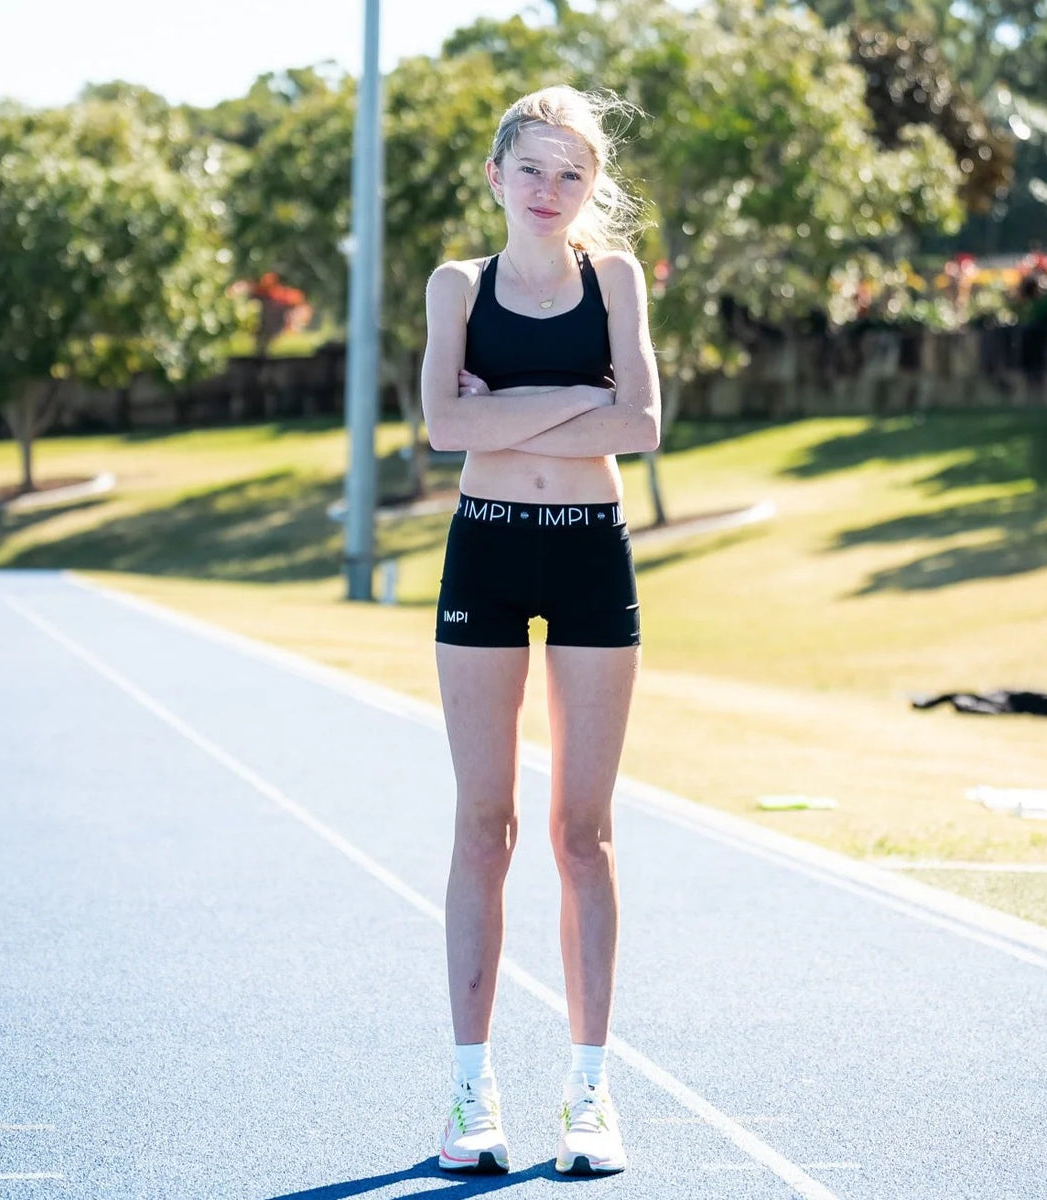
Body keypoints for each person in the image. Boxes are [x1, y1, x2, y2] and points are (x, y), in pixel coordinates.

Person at [420, 85, 661, 1176]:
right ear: (496, 177)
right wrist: (578, 396)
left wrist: (505, 406)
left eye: (572, 173)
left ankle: (588, 1092)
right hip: (486, 544)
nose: (550, 191)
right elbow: (442, 425)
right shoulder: (455, 287)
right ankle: (472, 1090)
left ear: (593, 185)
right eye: (532, 169)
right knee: (485, 824)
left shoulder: (617, 279)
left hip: (588, 551)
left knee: (581, 833)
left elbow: (643, 425)